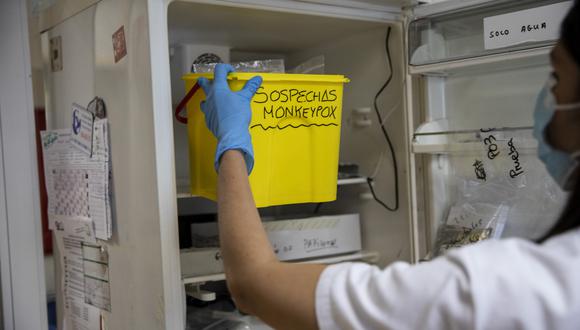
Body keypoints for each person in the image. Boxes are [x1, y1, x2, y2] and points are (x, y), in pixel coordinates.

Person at [195, 1, 580, 328]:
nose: (546, 95)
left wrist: (232, 144)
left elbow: (252, 284)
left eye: (556, 76)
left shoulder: (509, 288)